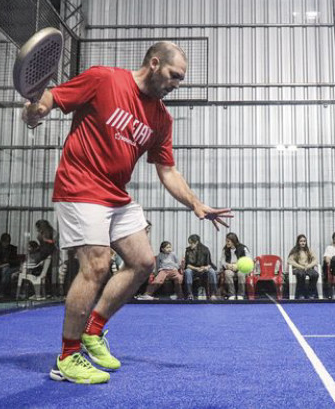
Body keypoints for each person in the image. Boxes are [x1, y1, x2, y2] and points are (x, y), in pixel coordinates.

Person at [22, 41, 233, 384]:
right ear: (154, 63)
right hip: (80, 185)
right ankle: (68, 356)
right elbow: (53, 98)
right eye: (174, 75)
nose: (176, 84)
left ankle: (93, 330)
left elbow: (167, 170)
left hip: (115, 194)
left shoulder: (161, 118)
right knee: (97, 264)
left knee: (143, 262)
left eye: (181, 79)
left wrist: (195, 202)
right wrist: (37, 110)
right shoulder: (104, 79)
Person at [184, 234, 217, 300]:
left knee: (212, 271)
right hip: (193, 269)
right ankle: (189, 294)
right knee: (187, 271)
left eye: (191, 243)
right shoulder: (188, 250)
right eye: (189, 243)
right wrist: (196, 268)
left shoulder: (205, 249)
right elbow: (187, 265)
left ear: (196, 242)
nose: (190, 245)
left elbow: (209, 263)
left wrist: (205, 268)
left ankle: (213, 294)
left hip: (203, 269)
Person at [221, 232, 250, 300]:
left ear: (233, 241)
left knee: (241, 274)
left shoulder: (243, 248)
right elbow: (222, 261)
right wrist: (227, 265)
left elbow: (248, 260)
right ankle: (231, 294)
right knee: (227, 273)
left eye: (228, 241)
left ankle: (241, 294)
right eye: (226, 241)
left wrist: (238, 266)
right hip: (230, 268)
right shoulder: (225, 249)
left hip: (241, 268)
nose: (226, 243)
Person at [288, 234, 319, 300]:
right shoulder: (295, 251)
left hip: (307, 268)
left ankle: (311, 294)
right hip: (298, 269)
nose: (303, 243)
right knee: (301, 274)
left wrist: (309, 266)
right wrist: (301, 267)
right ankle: (300, 294)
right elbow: (290, 261)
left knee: (315, 274)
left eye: (304, 241)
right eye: (301, 241)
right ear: (298, 242)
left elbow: (315, 260)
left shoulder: (308, 250)